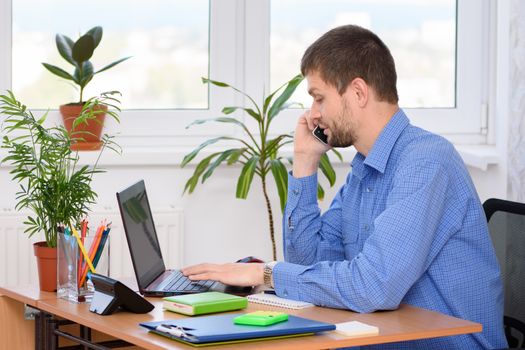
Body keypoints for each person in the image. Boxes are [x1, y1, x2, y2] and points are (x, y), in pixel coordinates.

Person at [182, 25, 507, 349]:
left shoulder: (423, 162)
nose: (313, 114)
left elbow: (374, 286)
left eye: (319, 98)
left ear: (358, 92)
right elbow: (308, 262)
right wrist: (305, 162)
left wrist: (265, 274)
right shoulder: (364, 170)